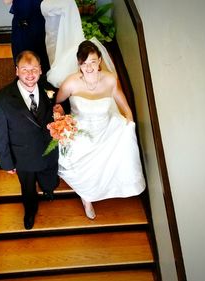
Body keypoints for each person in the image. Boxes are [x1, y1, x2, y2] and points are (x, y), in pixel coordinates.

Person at [54, 40, 146, 219]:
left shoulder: (110, 79)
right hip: (80, 132)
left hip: (105, 128)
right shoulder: (71, 83)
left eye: (92, 62)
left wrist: (130, 121)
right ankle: (87, 197)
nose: (88, 67)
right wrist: (62, 121)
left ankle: (107, 188)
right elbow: (58, 103)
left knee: (118, 147)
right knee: (81, 165)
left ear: (100, 61)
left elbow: (122, 101)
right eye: (84, 63)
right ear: (79, 64)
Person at [0, 50, 59, 229]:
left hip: (49, 149)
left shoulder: (49, 89)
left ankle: (48, 190)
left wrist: (61, 114)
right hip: (23, 155)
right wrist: (7, 163)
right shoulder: (2, 99)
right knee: (28, 187)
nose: (30, 74)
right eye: (25, 69)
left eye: (34, 69)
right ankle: (30, 210)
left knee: (49, 175)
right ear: (16, 71)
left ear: (40, 70)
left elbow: (59, 108)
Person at [4, 0, 51, 74]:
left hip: (39, 22)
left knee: (41, 52)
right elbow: (6, 1)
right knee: (20, 51)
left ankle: (42, 77)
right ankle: (22, 75)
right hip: (20, 23)